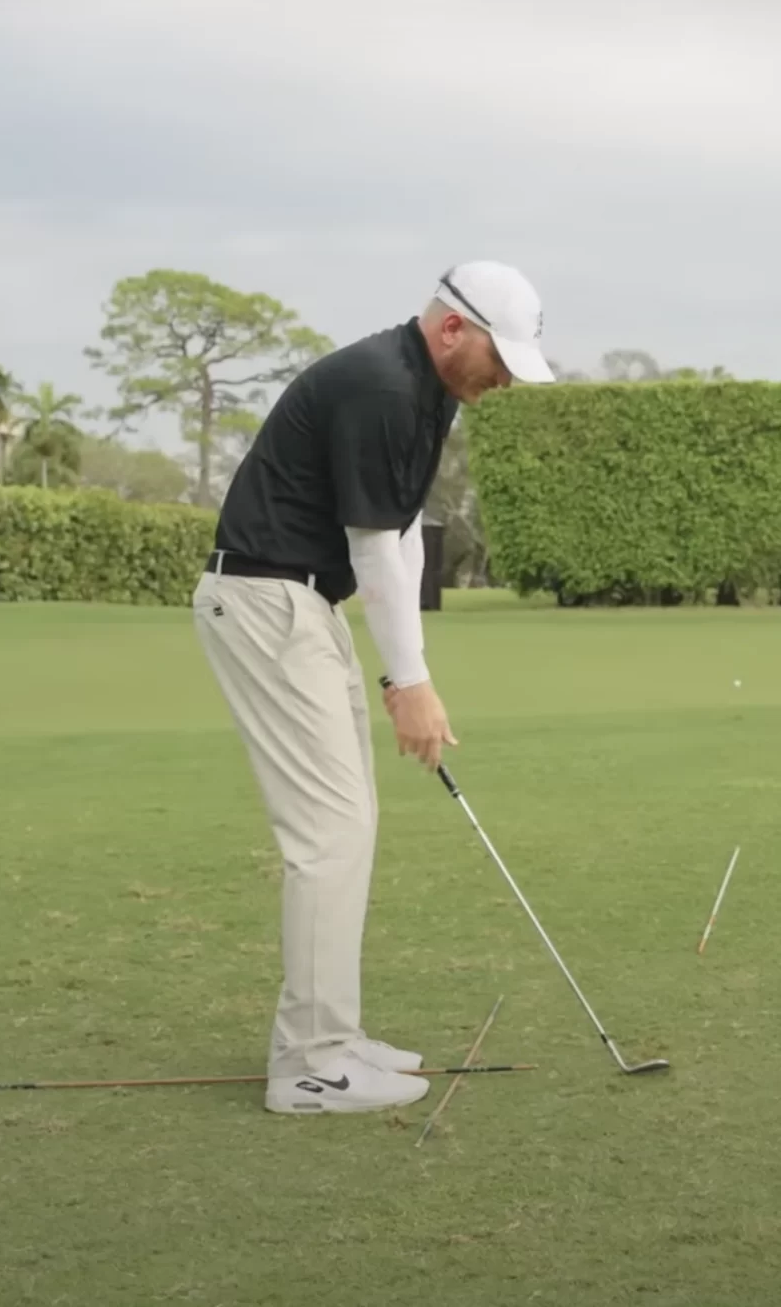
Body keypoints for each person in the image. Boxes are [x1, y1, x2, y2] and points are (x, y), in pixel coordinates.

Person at [192, 260, 554, 1113]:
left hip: (301, 606)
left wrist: (410, 677)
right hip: (266, 600)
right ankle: (310, 1066)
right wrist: (409, 680)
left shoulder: (425, 395)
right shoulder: (382, 386)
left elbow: (404, 541)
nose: (503, 379)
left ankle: (334, 1037)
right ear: (451, 329)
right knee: (330, 831)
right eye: (497, 357)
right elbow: (370, 549)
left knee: (347, 826)